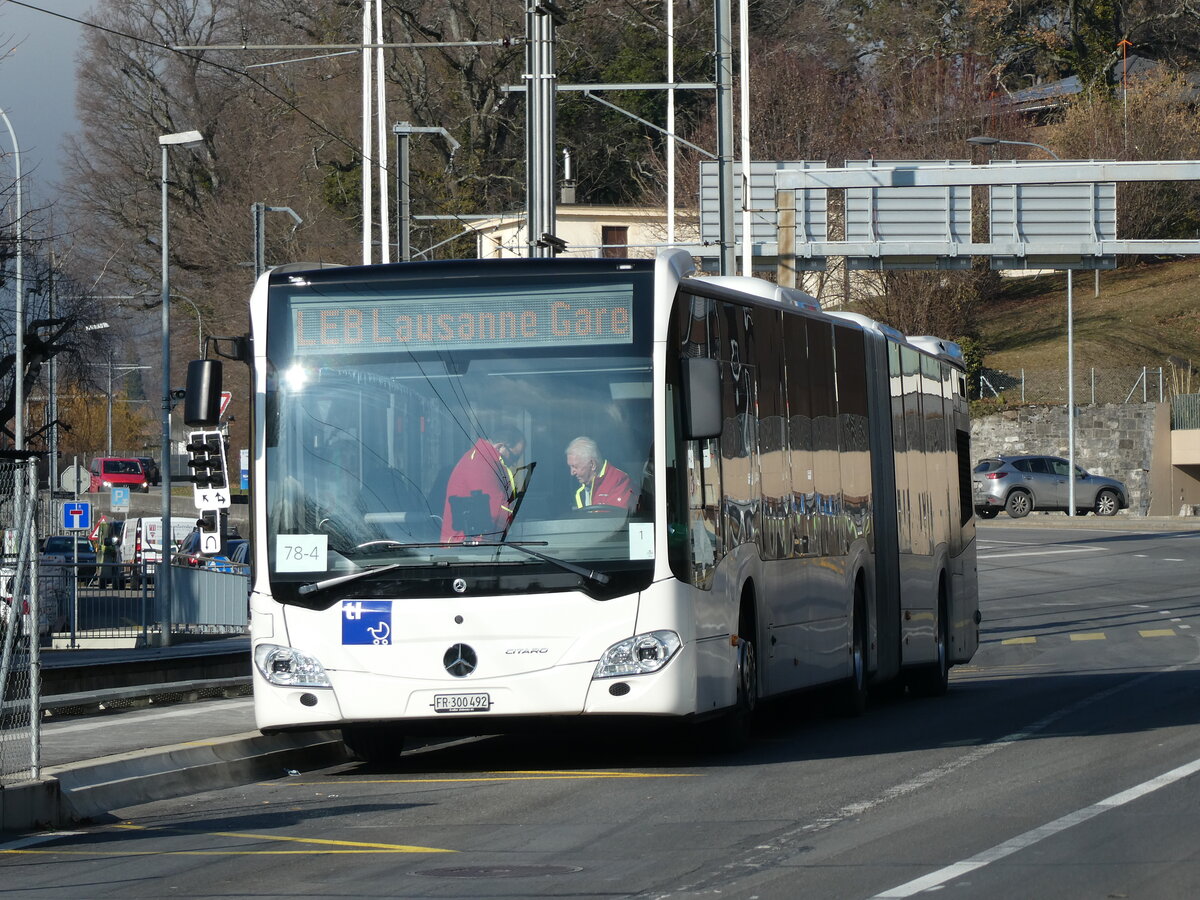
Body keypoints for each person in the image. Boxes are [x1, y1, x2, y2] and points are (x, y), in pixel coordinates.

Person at [441, 426, 526, 541]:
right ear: (500, 447)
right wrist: (524, 513)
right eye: (514, 457)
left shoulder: (483, 458)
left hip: (472, 545)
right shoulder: (481, 463)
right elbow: (497, 512)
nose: (514, 463)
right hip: (467, 549)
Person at [566, 436, 633, 510]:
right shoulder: (579, 489)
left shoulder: (620, 481)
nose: (572, 473)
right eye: (570, 467)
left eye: (575, 467)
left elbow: (615, 518)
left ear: (592, 464)